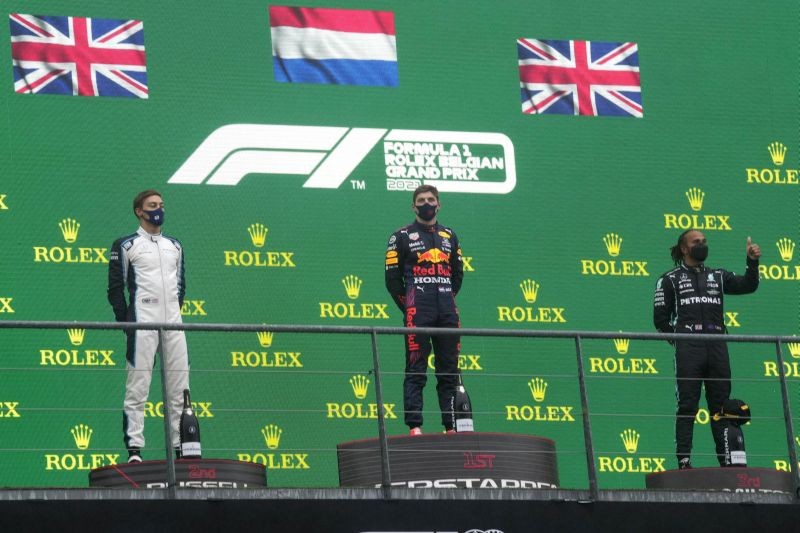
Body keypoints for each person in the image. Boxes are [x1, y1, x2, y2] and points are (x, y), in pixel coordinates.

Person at [653, 230, 760, 469]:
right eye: (696, 242)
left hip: (716, 345)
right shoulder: (669, 279)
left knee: (721, 406)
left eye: (704, 241)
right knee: (688, 405)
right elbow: (660, 319)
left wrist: (752, 262)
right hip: (689, 348)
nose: (702, 245)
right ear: (684, 248)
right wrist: (680, 341)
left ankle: (727, 462)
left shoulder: (717, 276)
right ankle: (684, 461)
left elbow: (748, 285)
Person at [108, 189, 190, 463]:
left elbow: (180, 286)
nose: (159, 209)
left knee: (180, 389)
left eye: (161, 205)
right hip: (142, 322)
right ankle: (134, 451)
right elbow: (115, 289)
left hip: (174, 324)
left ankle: (181, 449)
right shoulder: (126, 245)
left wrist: (173, 312)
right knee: (138, 387)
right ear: (139, 211)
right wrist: (127, 323)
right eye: (153, 205)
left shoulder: (175, 245)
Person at [385, 185, 464, 436]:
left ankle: (451, 426)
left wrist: (444, 297)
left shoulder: (450, 236)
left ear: (439, 204)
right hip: (417, 312)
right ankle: (415, 427)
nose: (426, 203)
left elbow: (458, 276)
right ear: (413, 206)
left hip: (447, 312)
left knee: (449, 370)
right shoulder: (401, 236)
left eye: (431, 199)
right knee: (416, 369)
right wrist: (410, 304)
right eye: (421, 200)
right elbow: (392, 280)